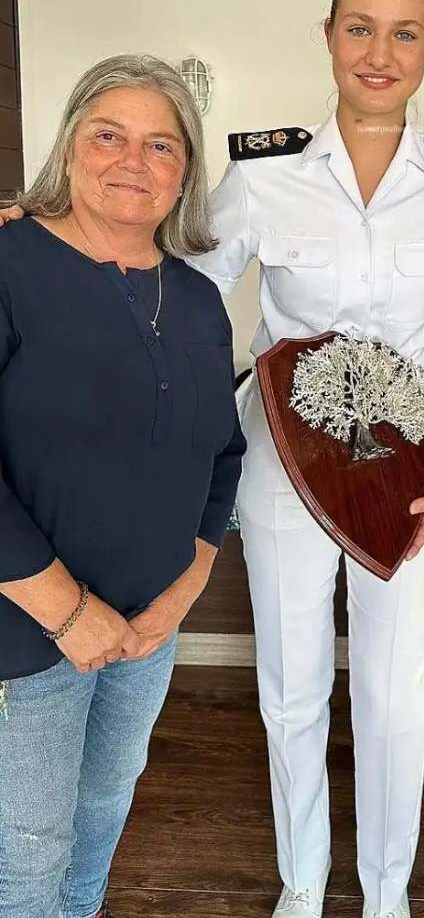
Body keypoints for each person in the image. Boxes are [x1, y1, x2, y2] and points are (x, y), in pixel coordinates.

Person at [187, 0, 424, 918]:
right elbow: (190, 291)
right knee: (290, 685)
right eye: (359, 28)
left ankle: (385, 894)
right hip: (284, 458)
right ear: (328, 36)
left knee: (393, 694)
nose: (379, 52)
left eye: (402, 32)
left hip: (400, 460)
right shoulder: (263, 171)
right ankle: (299, 885)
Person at [0, 54, 245, 918]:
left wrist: (187, 587)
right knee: (26, 847)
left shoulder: (197, 300)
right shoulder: (8, 264)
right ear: (70, 146)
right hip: (28, 636)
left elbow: (224, 455)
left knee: (103, 812)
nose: (132, 161)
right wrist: (71, 613)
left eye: (161, 145)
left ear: (187, 175)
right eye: (109, 135)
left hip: (146, 634)